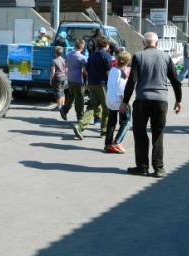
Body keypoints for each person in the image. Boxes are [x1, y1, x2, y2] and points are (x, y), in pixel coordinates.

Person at [120, 32, 182, 178]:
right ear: (157, 43)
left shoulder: (138, 56)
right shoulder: (166, 57)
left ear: (143, 43)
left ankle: (142, 167)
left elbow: (132, 81)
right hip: (161, 101)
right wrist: (178, 100)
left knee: (140, 133)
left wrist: (125, 101)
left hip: (142, 100)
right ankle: (159, 168)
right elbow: (175, 80)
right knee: (158, 134)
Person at [72, 37, 111, 140]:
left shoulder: (92, 56)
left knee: (91, 107)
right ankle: (104, 131)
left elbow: (85, 70)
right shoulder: (106, 56)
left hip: (91, 83)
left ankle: (79, 127)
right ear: (106, 45)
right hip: (102, 84)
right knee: (106, 108)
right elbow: (108, 72)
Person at [105, 51, 132, 154]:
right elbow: (121, 91)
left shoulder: (112, 69)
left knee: (111, 122)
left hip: (109, 99)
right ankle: (117, 142)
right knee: (127, 121)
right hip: (118, 100)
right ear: (127, 62)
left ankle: (108, 144)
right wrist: (125, 103)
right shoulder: (122, 74)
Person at [60, 39, 87, 121]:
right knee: (79, 99)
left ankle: (64, 109)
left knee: (71, 96)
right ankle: (80, 116)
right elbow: (85, 71)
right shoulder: (83, 58)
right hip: (78, 80)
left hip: (70, 78)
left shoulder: (68, 55)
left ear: (75, 45)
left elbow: (66, 65)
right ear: (82, 47)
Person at [50, 46, 67, 111]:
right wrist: (65, 75)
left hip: (57, 78)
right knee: (62, 91)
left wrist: (51, 79)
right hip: (63, 77)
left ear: (55, 53)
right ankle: (62, 105)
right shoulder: (64, 60)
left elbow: (53, 71)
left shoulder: (54, 61)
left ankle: (59, 106)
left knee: (58, 92)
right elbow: (66, 69)